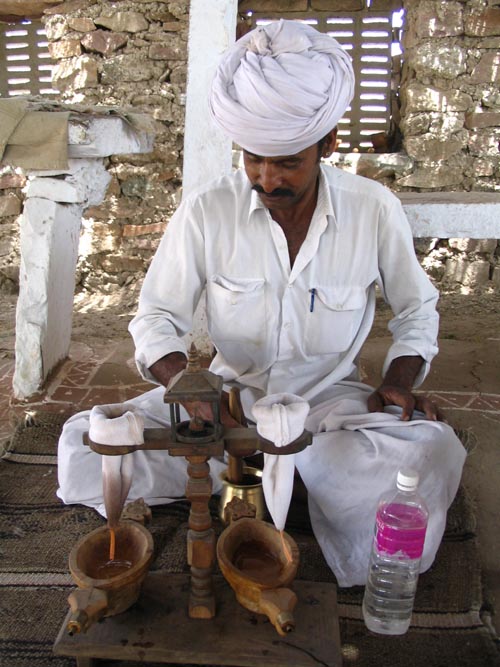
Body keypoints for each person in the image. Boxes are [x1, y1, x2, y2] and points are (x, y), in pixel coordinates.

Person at [57, 19, 466, 587]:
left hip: (328, 413)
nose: (267, 179)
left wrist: (398, 379)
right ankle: (283, 480)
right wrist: (187, 389)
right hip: (228, 406)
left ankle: (263, 474)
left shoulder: (374, 209)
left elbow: (418, 310)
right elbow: (155, 317)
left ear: (327, 144)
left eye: (287, 162)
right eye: (254, 159)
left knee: (428, 455)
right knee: (85, 444)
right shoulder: (207, 210)